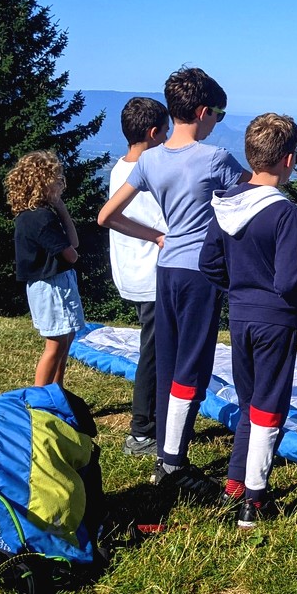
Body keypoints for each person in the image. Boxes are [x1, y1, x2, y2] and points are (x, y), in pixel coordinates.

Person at [98, 67, 247, 500]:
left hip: (166, 270)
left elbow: (106, 216)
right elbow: (254, 195)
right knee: (193, 366)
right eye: (217, 114)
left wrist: (158, 236)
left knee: (167, 360)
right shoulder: (215, 158)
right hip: (201, 273)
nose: (218, 121)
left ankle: (167, 451)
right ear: (202, 112)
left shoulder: (149, 160)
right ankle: (173, 462)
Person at [199, 113, 297, 528]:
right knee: (270, 406)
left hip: (241, 316)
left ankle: (234, 481)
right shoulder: (284, 212)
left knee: (248, 403)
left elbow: (209, 261)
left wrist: (237, 290)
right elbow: (289, 278)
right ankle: (255, 499)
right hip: (276, 319)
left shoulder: (227, 202)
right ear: (288, 159)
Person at [108, 97, 170, 457]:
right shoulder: (146, 173)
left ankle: (152, 423)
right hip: (151, 275)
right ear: (152, 133)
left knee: (154, 348)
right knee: (154, 353)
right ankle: (142, 430)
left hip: (134, 272)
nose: (167, 140)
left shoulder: (120, 169)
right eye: (164, 133)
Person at [6, 150, 85, 386]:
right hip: (52, 286)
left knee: (66, 338)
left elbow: (74, 243)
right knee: (56, 344)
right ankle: (40, 397)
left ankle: (56, 392)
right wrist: (59, 210)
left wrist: (60, 208)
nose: (61, 185)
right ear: (43, 183)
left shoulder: (31, 215)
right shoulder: (40, 218)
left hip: (51, 284)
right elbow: (72, 253)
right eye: (57, 180)